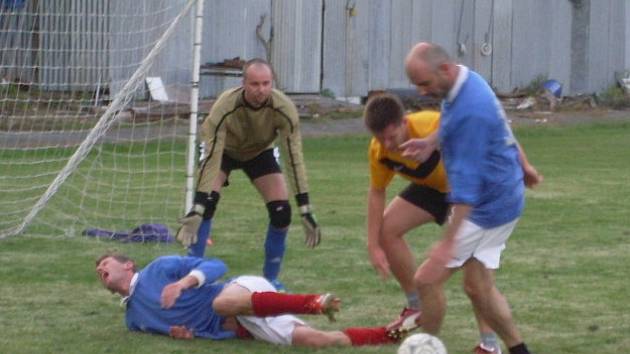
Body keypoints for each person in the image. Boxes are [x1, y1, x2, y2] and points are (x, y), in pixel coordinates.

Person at [363, 93, 541, 352]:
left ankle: (489, 344)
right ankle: (416, 307)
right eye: (381, 138)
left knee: (476, 278)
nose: (387, 144)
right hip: (434, 189)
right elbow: (377, 192)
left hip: (471, 193)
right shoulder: (379, 151)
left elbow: (496, 130)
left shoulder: (432, 124)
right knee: (386, 230)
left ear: (404, 122)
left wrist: (524, 165)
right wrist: (372, 245)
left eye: (392, 136)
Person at [400, 42, 541, 354]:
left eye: (424, 84)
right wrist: (430, 143)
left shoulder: (470, 111)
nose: (422, 92)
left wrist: (449, 242)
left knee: (426, 279)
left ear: (445, 69)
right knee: (478, 287)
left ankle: (426, 348)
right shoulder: (467, 80)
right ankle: (520, 350)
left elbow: (466, 191)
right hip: (504, 196)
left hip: (487, 206)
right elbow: (501, 128)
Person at [176, 58, 321, 290]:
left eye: (266, 83)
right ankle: (192, 277)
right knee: (206, 207)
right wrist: (199, 204)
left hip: (259, 152)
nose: (261, 90)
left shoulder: (284, 109)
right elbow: (212, 155)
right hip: (224, 151)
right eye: (254, 84)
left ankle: (270, 281)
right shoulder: (225, 105)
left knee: (282, 212)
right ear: (243, 83)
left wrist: (305, 208)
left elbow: (294, 158)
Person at [95, 252, 414, 347]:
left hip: (240, 290)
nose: (100, 270)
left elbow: (217, 265)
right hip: (242, 321)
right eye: (97, 270)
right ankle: (390, 333)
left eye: (105, 264)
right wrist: (180, 333)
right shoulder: (133, 319)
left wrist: (183, 283)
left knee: (220, 303)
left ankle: (314, 302)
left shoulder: (159, 268)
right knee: (316, 340)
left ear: (128, 265)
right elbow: (173, 329)